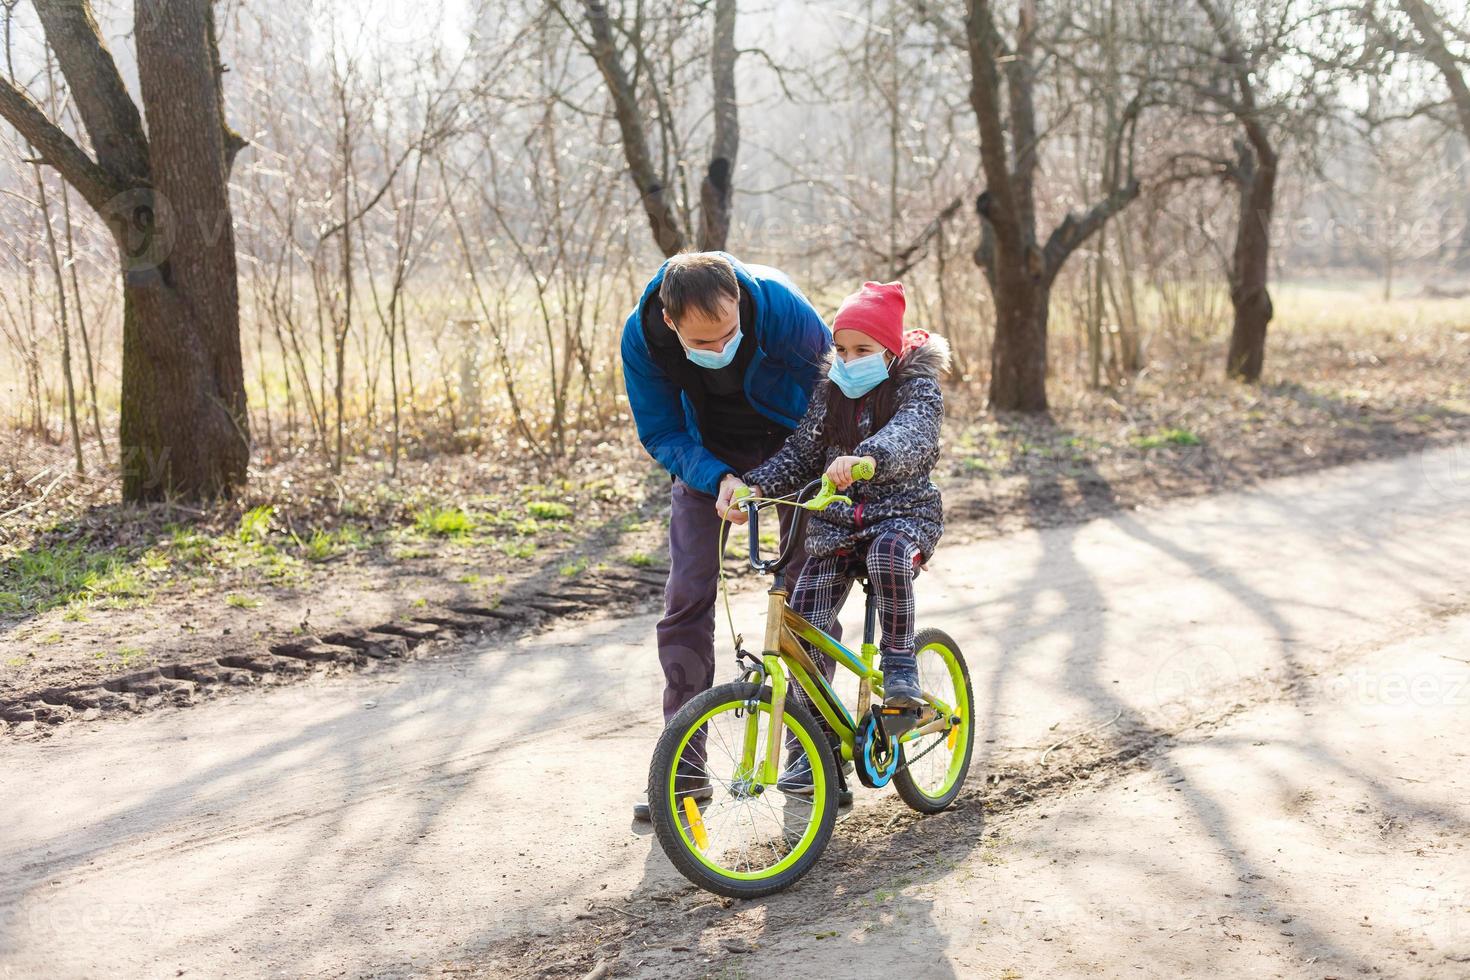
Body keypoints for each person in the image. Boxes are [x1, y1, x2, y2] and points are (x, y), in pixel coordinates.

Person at [622, 251, 833, 821]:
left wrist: (787, 470)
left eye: (727, 335)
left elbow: (833, 394)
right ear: (672, 324)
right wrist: (717, 479)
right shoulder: (644, 340)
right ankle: (684, 772)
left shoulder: (782, 309)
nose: (718, 351)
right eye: (703, 343)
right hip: (706, 455)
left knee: (807, 595)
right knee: (687, 598)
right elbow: (661, 428)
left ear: (738, 301)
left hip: (795, 445)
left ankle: (813, 757)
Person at [731, 280, 948, 793]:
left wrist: (870, 456)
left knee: (889, 557)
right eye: (842, 349)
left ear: (891, 351)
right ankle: (818, 748)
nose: (850, 360)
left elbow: (913, 435)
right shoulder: (828, 393)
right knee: (804, 623)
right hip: (837, 525)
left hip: (902, 514)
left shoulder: (915, 388)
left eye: (864, 350)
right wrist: (756, 485)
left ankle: (900, 671)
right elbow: (802, 454)